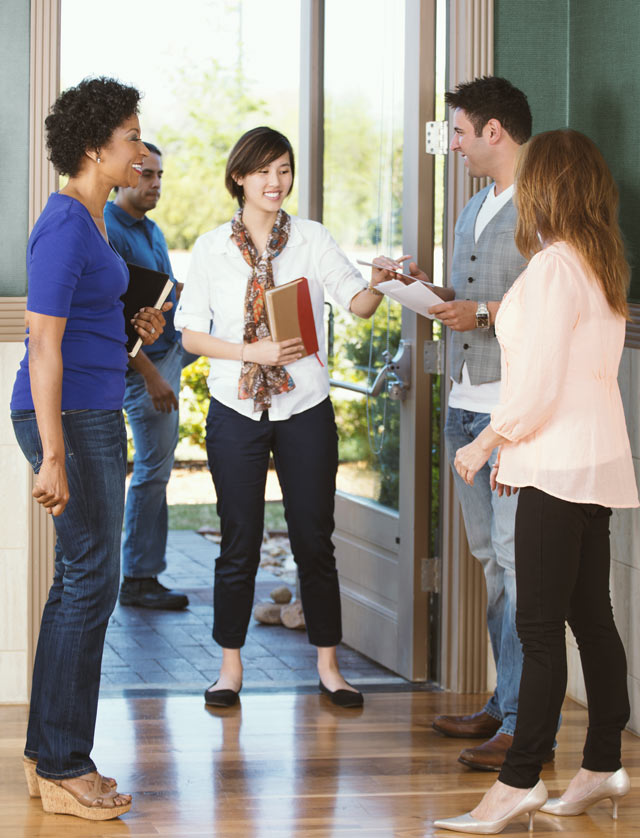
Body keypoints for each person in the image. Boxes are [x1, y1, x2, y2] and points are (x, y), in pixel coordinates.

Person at [435, 128, 638, 833]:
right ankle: (603, 764)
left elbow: (541, 383)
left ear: (548, 186)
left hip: (553, 466)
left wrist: (489, 443)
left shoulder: (554, 267)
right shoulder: (598, 261)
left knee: (540, 627)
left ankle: (519, 781)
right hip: (592, 463)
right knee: (591, 618)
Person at [174, 126, 392, 709]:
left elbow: (358, 303)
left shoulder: (314, 239)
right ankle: (229, 668)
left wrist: (381, 282)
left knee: (314, 540)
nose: (276, 182)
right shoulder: (210, 248)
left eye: (285, 170)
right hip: (235, 410)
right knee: (239, 542)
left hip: (305, 408)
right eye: (264, 171)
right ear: (239, 177)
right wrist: (254, 352)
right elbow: (191, 335)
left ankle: (330, 666)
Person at [10, 77, 168, 821]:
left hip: (92, 407)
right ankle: (66, 763)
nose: (140, 149)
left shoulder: (96, 222)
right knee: (92, 582)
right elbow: (41, 345)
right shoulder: (66, 225)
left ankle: (52, 756)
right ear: (93, 148)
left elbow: (83, 322)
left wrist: (134, 333)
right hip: (67, 416)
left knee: (80, 580)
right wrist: (52, 454)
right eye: (131, 137)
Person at [411, 76, 535, 770]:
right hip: (463, 401)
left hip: (510, 411)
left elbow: (551, 299)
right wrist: (425, 290)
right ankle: (501, 702)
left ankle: (519, 720)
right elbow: (466, 298)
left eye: (459, 132)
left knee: (516, 569)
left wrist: (482, 314)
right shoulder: (473, 204)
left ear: (494, 132)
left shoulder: (543, 204)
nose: (453, 144)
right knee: (491, 565)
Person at [105, 141, 194, 610]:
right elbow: (118, 319)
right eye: (146, 175)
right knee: (152, 473)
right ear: (125, 176)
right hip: (145, 370)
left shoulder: (151, 228)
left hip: (172, 351)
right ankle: (138, 578)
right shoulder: (110, 228)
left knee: (156, 470)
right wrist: (152, 378)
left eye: (160, 175)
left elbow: (162, 291)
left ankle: (142, 572)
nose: (155, 183)